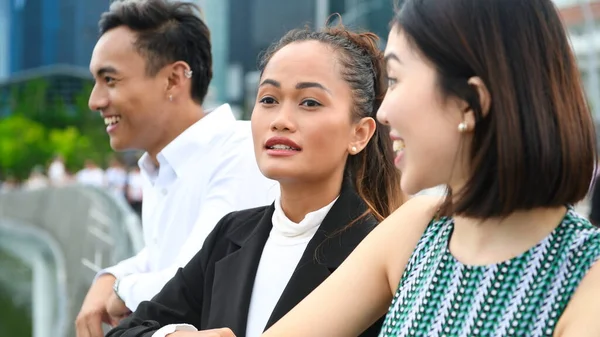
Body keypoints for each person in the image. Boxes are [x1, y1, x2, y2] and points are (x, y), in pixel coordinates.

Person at [194, 0, 598, 336]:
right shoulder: (419, 229)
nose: (384, 112)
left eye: (398, 79)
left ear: (469, 103)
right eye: (268, 99)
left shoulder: (587, 277)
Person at [105, 23, 405, 337]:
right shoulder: (231, 235)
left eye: (310, 103)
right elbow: (127, 330)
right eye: (268, 100)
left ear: (359, 133)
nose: (281, 121)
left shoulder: (378, 249)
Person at [76, 1, 278, 336]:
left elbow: (195, 278)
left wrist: (119, 289)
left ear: (173, 79)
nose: (95, 101)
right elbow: (160, 258)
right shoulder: (163, 165)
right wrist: (110, 277)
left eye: (109, 80)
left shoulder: (241, 151)